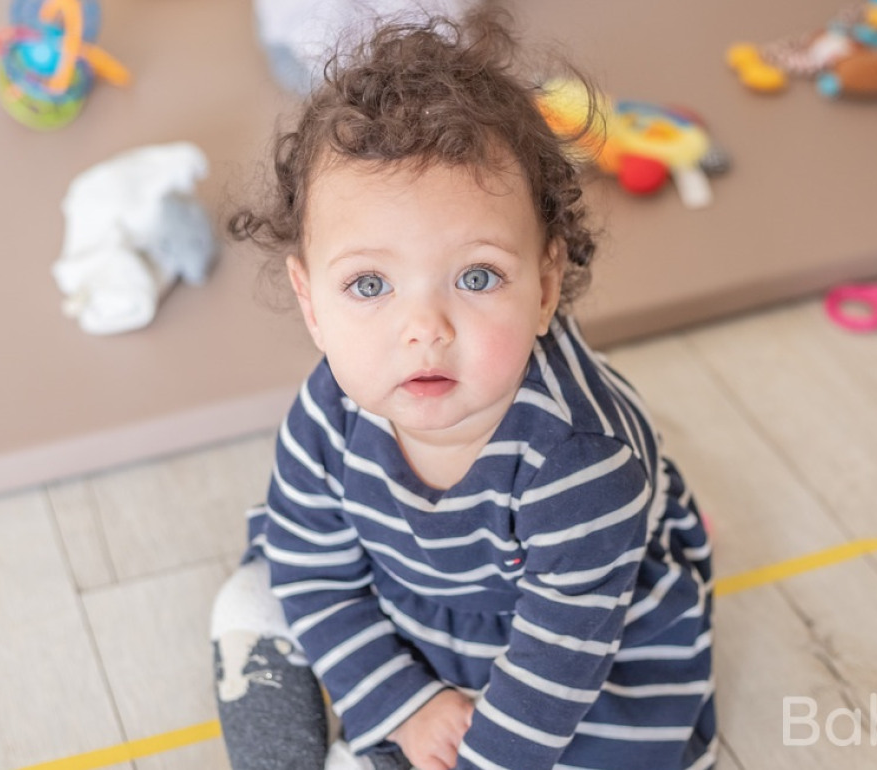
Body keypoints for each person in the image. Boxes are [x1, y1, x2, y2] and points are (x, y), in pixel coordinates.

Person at [210, 10, 716, 770]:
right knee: (262, 588)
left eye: (477, 277)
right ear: (311, 301)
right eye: (369, 284)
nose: (424, 328)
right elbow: (314, 571)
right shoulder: (332, 409)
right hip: (408, 596)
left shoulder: (582, 464)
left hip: (567, 653)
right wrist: (403, 702)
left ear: (546, 284)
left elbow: (555, 672)